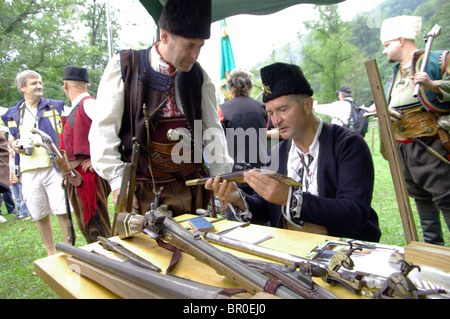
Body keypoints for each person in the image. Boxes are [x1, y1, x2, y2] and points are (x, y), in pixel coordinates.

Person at [206, 62, 381, 242]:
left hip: (341, 250)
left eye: (283, 109)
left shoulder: (348, 145)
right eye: (271, 113)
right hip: (292, 249)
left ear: (308, 105)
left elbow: (354, 214)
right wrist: (239, 199)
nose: (276, 120)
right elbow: (267, 208)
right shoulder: (278, 153)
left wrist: (290, 198)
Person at [90, 0, 233, 217]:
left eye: (200, 47)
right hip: (141, 190)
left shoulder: (198, 76)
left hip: (192, 188)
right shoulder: (125, 67)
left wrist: (221, 176)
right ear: (164, 36)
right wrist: (119, 182)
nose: (195, 55)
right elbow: (103, 132)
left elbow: (212, 130)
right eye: (189, 45)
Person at [380, 15, 450, 245]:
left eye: (387, 45)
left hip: (433, 143)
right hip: (405, 147)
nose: (384, 51)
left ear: (401, 40)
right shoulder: (393, 77)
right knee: (420, 197)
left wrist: (434, 85)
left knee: (447, 198)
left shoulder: (439, 60)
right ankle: (434, 251)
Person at [1, 70, 69, 255]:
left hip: (53, 167)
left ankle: (71, 251)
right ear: (22, 87)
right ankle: (51, 253)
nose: (39, 86)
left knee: (62, 210)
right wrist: (14, 145)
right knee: (39, 214)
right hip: (28, 170)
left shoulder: (54, 106)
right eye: (33, 83)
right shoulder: (12, 113)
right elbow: (9, 140)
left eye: (39, 82)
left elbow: (64, 134)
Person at [61, 66, 112, 243]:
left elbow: (112, 131)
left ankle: (108, 263)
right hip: (77, 175)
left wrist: (96, 158)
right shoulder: (77, 107)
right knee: (88, 223)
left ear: (65, 85)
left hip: (88, 176)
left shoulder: (88, 104)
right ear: (87, 86)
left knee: (95, 225)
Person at [218, 68, 268, 194]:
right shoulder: (263, 108)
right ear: (250, 86)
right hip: (262, 172)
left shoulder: (221, 110)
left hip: (234, 176)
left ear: (229, 87)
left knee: (236, 212)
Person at [9, 146, 29, 219]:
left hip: (20, 175)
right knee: (17, 197)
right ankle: (20, 211)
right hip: (12, 177)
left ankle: (23, 212)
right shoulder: (10, 157)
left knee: (22, 196)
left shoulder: (18, 155)